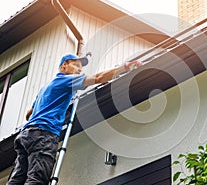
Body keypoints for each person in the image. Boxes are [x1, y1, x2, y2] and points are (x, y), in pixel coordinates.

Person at [7, 53, 141, 185]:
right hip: (44, 134)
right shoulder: (66, 80)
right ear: (64, 66)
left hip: (26, 135)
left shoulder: (45, 88)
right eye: (76, 65)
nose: (79, 69)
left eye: (81, 67)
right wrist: (124, 67)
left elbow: (28, 114)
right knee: (37, 179)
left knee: (16, 180)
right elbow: (98, 77)